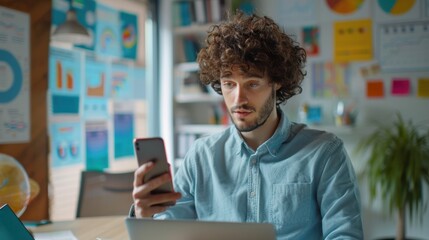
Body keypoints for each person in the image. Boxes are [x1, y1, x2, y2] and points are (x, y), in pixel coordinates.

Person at [131, 11, 363, 239]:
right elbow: (170, 232)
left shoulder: (324, 153)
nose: (238, 98)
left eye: (252, 83)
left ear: (277, 82)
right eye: (229, 84)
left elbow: (345, 235)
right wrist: (146, 217)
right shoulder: (201, 157)